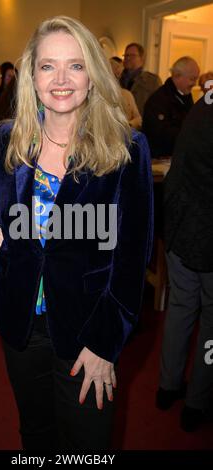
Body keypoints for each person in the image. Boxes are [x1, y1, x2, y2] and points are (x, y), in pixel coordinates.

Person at [0, 16, 153, 450]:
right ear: (31, 75)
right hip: (19, 321)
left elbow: (132, 257)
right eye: (47, 66)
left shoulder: (126, 147)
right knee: (36, 435)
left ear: (92, 76)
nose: (60, 79)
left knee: (88, 446)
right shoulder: (9, 139)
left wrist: (105, 343)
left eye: (74, 66)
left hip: (87, 326)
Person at [156, 94, 213, 433]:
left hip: (180, 222)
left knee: (180, 307)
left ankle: (168, 385)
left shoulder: (204, 101)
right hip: (205, 230)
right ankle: (198, 402)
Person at [142, 56, 199, 159]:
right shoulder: (158, 100)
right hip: (160, 159)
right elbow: (160, 134)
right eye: (192, 79)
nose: (194, 84)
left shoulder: (185, 97)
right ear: (177, 76)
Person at [120, 42, 161, 115]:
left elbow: (159, 106)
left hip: (142, 123)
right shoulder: (116, 79)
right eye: (126, 56)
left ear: (142, 59)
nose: (128, 58)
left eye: (132, 56)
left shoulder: (152, 81)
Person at [110, 57, 142, 129]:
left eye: (117, 75)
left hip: (126, 136)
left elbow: (138, 118)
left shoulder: (127, 94)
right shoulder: (98, 95)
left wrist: (129, 124)